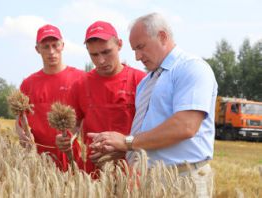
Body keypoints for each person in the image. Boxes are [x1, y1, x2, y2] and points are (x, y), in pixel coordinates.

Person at [88, 13, 217, 197]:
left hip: (183, 180)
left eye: (141, 47)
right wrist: (123, 149)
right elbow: (151, 131)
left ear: (162, 36)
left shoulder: (191, 68)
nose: (137, 56)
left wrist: (127, 142)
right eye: (134, 49)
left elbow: (185, 126)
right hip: (150, 180)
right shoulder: (147, 82)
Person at [55, 21, 146, 176]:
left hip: (135, 171)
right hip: (94, 173)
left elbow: (155, 128)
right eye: (94, 55)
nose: (101, 60)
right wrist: (64, 138)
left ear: (119, 45)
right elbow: (73, 125)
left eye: (106, 52)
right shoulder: (80, 85)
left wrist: (125, 146)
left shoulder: (141, 80)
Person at [17, 24, 85, 171]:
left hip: (72, 160)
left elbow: (86, 117)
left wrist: (72, 136)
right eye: (46, 46)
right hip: (38, 162)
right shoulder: (28, 84)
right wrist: (21, 135)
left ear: (63, 45)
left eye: (55, 45)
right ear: (37, 49)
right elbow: (19, 120)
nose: (51, 51)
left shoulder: (80, 79)